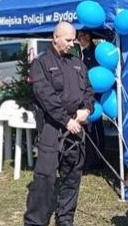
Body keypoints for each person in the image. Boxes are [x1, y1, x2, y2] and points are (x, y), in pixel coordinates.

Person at [24, 22, 94, 226]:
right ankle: (35, 221)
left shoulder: (78, 63)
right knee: (45, 178)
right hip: (52, 127)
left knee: (72, 175)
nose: (72, 44)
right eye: (68, 40)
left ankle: (65, 218)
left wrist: (87, 110)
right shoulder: (41, 64)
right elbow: (46, 97)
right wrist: (66, 120)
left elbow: (88, 91)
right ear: (55, 38)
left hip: (76, 128)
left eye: (74, 40)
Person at [77, 30, 106, 170]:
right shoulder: (83, 52)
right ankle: (90, 156)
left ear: (87, 37)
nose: (78, 40)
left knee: (95, 127)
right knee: (90, 128)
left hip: (95, 95)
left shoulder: (94, 53)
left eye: (80, 37)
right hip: (86, 94)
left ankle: (98, 157)